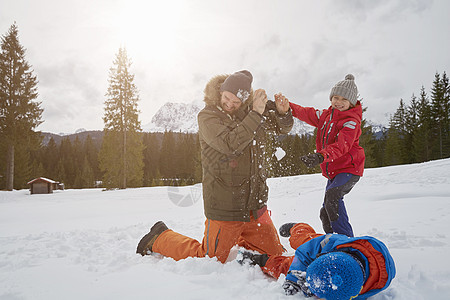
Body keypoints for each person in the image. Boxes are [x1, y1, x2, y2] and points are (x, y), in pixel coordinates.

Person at [136, 70, 294, 262]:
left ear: (243, 101)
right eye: (227, 97)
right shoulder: (208, 116)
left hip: (256, 205)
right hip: (226, 204)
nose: (230, 104)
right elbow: (230, 144)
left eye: (236, 102)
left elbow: (282, 128)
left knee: (275, 256)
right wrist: (255, 113)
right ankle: (160, 237)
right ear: (221, 91)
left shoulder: (252, 111)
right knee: (210, 258)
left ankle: (242, 241)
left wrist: (283, 113)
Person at [276, 74, 365, 237]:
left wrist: (320, 156)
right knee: (325, 212)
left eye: (344, 99)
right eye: (335, 97)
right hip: (334, 171)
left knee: (333, 197)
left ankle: (346, 242)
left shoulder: (351, 122)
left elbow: (342, 146)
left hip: (349, 169)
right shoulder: (326, 116)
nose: (338, 102)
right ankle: (331, 239)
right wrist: (289, 106)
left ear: (351, 102)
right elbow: (306, 113)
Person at [238, 222, 396, 299]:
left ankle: (259, 260)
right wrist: (293, 279)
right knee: (303, 240)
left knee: (285, 265)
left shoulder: (356, 290)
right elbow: (303, 253)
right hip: (336, 248)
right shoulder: (332, 242)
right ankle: (297, 227)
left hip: (339, 263)